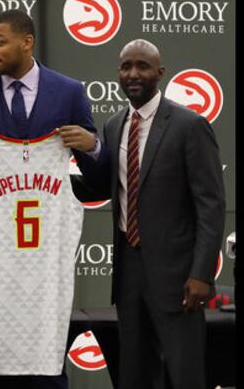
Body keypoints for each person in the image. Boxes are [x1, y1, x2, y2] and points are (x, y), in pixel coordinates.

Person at [0, 9, 103, 388]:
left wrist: (91, 146)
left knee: (44, 352)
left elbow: (97, 177)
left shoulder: (68, 91)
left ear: (26, 42)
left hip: (45, 255)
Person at [89, 39, 225, 388]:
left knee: (185, 375)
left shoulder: (189, 125)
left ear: (159, 73)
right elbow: (104, 187)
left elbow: (210, 206)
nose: (133, 74)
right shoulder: (113, 125)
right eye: (125, 67)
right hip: (128, 275)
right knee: (134, 375)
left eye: (142, 66)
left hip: (179, 278)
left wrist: (202, 274)